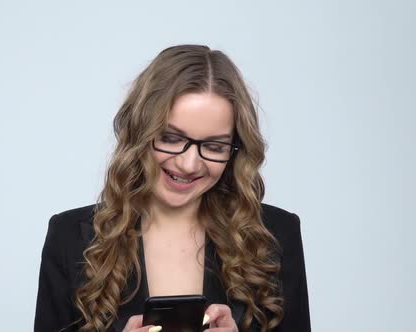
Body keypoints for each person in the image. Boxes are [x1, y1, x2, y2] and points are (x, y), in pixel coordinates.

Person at [34, 45, 310, 332]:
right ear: (140, 132)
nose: (189, 164)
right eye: (171, 138)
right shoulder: (69, 237)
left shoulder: (276, 235)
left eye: (214, 146)